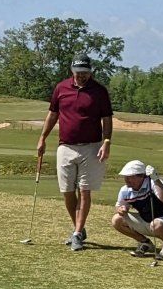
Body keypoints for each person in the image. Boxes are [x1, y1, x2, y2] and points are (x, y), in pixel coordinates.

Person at [34, 55, 113, 250]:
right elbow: (53, 114)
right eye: (78, 73)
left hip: (91, 147)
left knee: (84, 190)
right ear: (72, 71)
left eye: (85, 73)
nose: (82, 76)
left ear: (90, 72)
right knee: (67, 191)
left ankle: (77, 233)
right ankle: (79, 227)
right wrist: (42, 138)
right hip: (66, 146)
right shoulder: (61, 88)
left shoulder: (99, 91)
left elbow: (107, 119)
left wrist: (107, 142)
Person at [110, 159, 163, 261]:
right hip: (147, 221)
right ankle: (145, 242)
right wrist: (121, 209)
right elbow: (119, 206)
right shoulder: (125, 190)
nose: (126, 180)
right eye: (125, 177)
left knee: (156, 224)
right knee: (116, 219)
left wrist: (156, 180)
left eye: (130, 177)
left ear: (141, 176)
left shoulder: (154, 183)